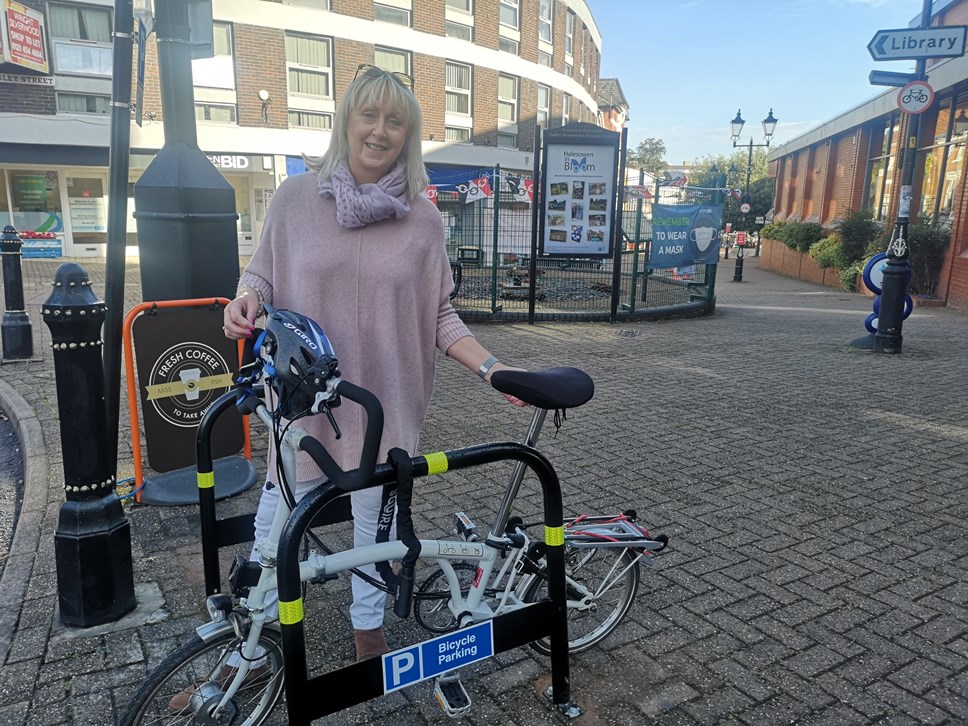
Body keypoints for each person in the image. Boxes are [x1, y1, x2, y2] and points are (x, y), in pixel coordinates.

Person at [223, 64, 523, 662]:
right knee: (274, 524)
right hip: (305, 400)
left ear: (407, 137)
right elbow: (262, 272)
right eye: (369, 115)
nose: (380, 131)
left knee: (372, 528)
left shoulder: (423, 218)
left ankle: (368, 634)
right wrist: (245, 298)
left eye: (395, 122)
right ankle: (249, 649)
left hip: (384, 401)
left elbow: (441, 317)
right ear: (346, 120)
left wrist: (494, 370)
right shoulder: (294, 200)